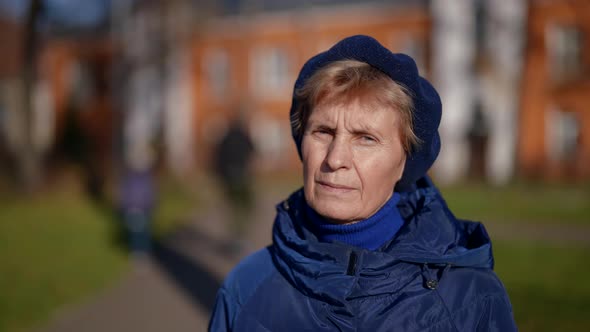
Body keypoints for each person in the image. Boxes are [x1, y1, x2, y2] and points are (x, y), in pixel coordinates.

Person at [208, 35, 516, 331]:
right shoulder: (245, 288)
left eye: (365, 138)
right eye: (323, 132)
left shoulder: (471, 298)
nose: (335, 158)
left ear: (404, 162)